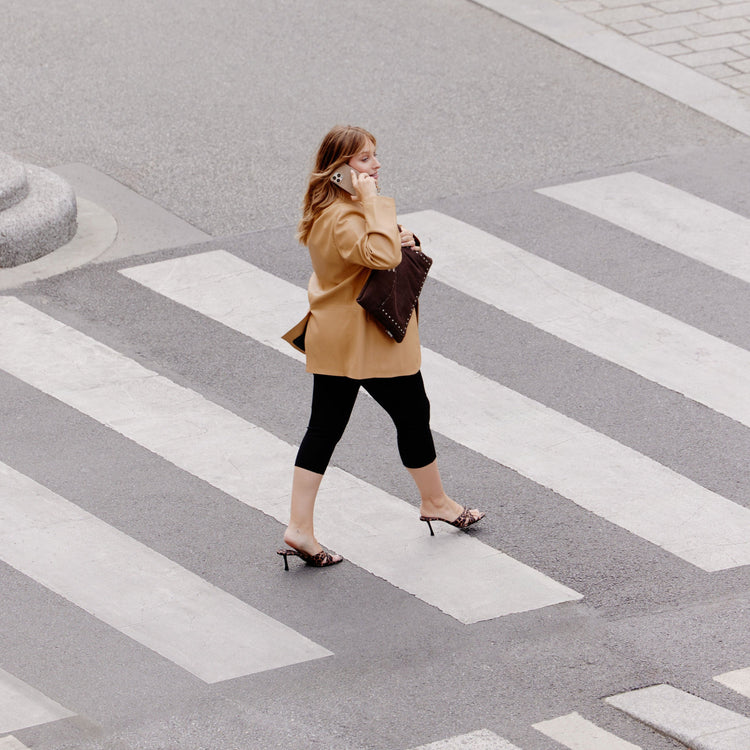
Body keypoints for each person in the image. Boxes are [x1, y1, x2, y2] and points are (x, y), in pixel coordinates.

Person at [278, 125, 484, 569]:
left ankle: (300, 527)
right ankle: (437, 502)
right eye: (364, 160)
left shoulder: (331, 210)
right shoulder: (345, 217)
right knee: (412, 413)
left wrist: (395, 230)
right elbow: (383, 256)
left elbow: (380, 247)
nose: (376, 166)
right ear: (339, 171)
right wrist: (376, 209)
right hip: (368, 341)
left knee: (326, 428)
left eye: (373, 157)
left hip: (338, 337)